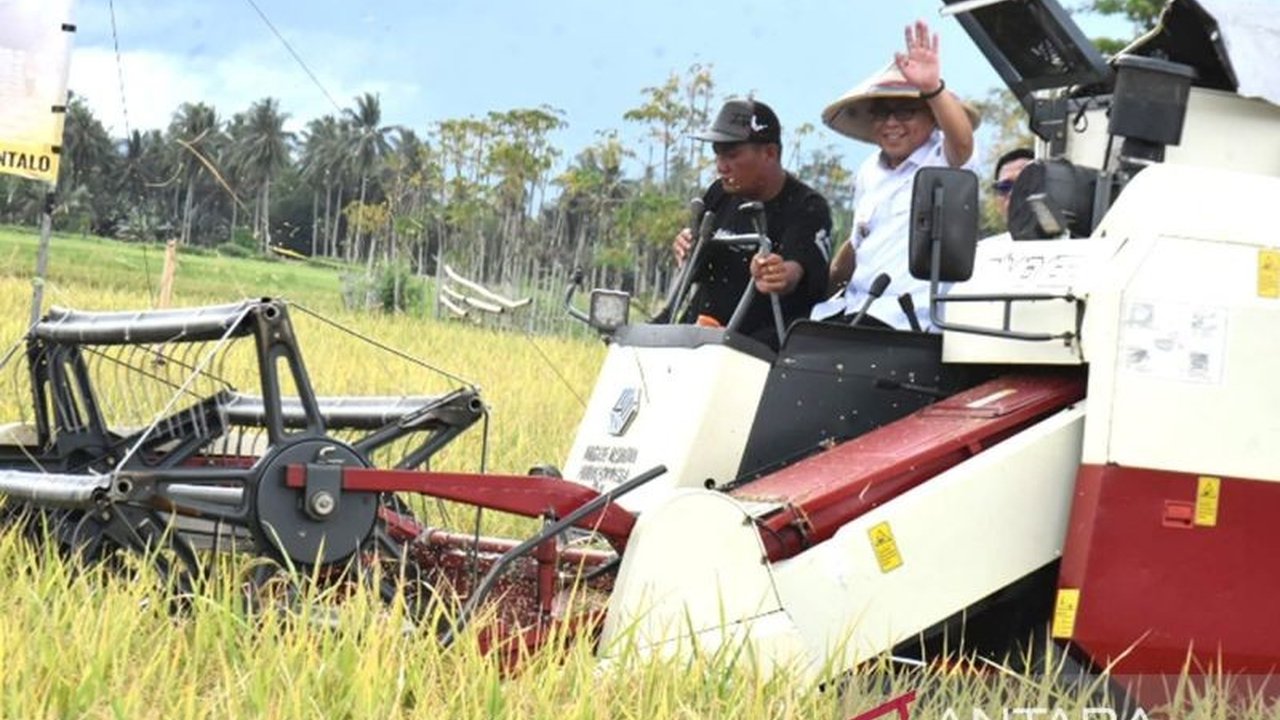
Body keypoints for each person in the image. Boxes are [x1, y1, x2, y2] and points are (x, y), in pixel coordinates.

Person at [811, 20, 981, 331]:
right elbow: (858, 243)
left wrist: (932, 88)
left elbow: (963, 141)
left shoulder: (943, 157)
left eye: (904, 112)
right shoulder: (868, 171)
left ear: (931, 116)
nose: (891, 123)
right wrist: (818, 290)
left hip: (910, 321)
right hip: (855, 309)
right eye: (882, 112)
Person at [669, 98, 833, 349]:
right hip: (699, 336)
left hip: (761, 349)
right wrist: (686, 248)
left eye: (732, 155)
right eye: (718, 154)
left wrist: (777, 273)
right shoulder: (718, 194)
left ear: (769, 153)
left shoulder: (808, 208)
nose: (722, 166)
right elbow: (697, 262)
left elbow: (797, 271)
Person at [993, 147, 1034, 231]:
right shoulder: (987, 244)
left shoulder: (1066, 242)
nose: (1012, 193)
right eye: (1004, 187)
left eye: (1023, 184)